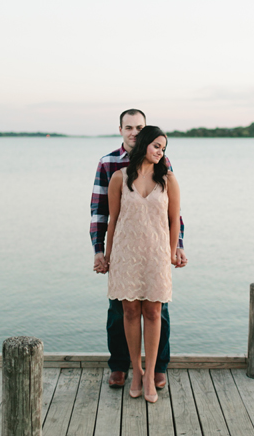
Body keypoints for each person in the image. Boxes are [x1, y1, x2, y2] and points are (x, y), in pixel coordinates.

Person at [90, 109, 187, 391]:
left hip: (155, 251)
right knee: (120, 311)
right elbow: (102, 212)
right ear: (120, 130)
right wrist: (100, 252)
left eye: (139, 127)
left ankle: (156, 368)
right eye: (128, 127)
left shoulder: (162, 162)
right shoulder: (109, 164)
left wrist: (177, 247)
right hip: (125, 250)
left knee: (158, 311)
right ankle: (121, 366)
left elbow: (172, 213)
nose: (133, 132)